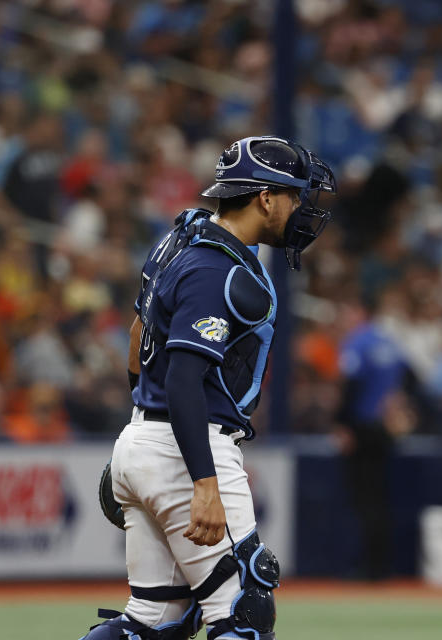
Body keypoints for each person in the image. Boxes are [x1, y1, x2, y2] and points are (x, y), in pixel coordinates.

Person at [80, 136, 336, 640]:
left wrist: (143, 434)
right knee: (243, 613)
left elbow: (137, 341)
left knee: (153, 621)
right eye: (294, 195)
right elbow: (182, 378)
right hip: (190, 448)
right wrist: (202, 481)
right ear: (265, 197)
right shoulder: (218, 268)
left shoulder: (182, 239)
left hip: (147, 439)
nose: (300, 208)